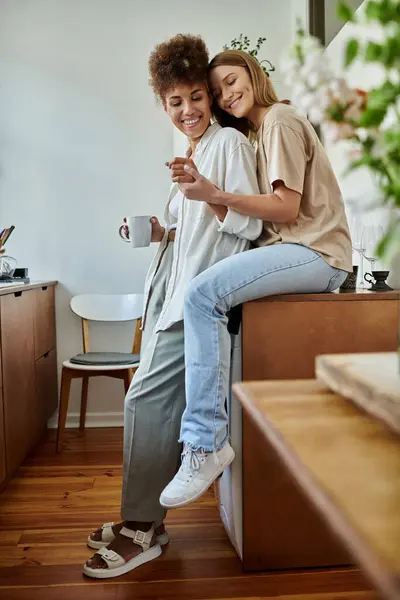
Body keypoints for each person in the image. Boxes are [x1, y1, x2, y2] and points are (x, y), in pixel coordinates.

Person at [83, 36, 262, 579]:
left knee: (146, 405)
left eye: (195, 97)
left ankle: (142, 529)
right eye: (175, 102)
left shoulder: (227, 146)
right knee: (150, 406)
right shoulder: (190, 153)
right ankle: (146, 522)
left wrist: (204, 195)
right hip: (169, 288)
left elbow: (249, 225)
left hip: (197, 296)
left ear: (209, 96)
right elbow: (191, 228)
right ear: (163, 105)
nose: (187, 110)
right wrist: (160, 229)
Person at [160, 49, 352, 509]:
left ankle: (205, 445)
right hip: (297, 250)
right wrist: (205, 194)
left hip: (317, 253)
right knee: (207, 293)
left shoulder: (281, 120)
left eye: (232, 81)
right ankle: (207, 442)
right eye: (220, 90)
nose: (228, 94)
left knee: (203, 293)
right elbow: (256, 218)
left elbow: (286, 209)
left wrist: (216, 192)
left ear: (253, 73)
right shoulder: (261, 132)